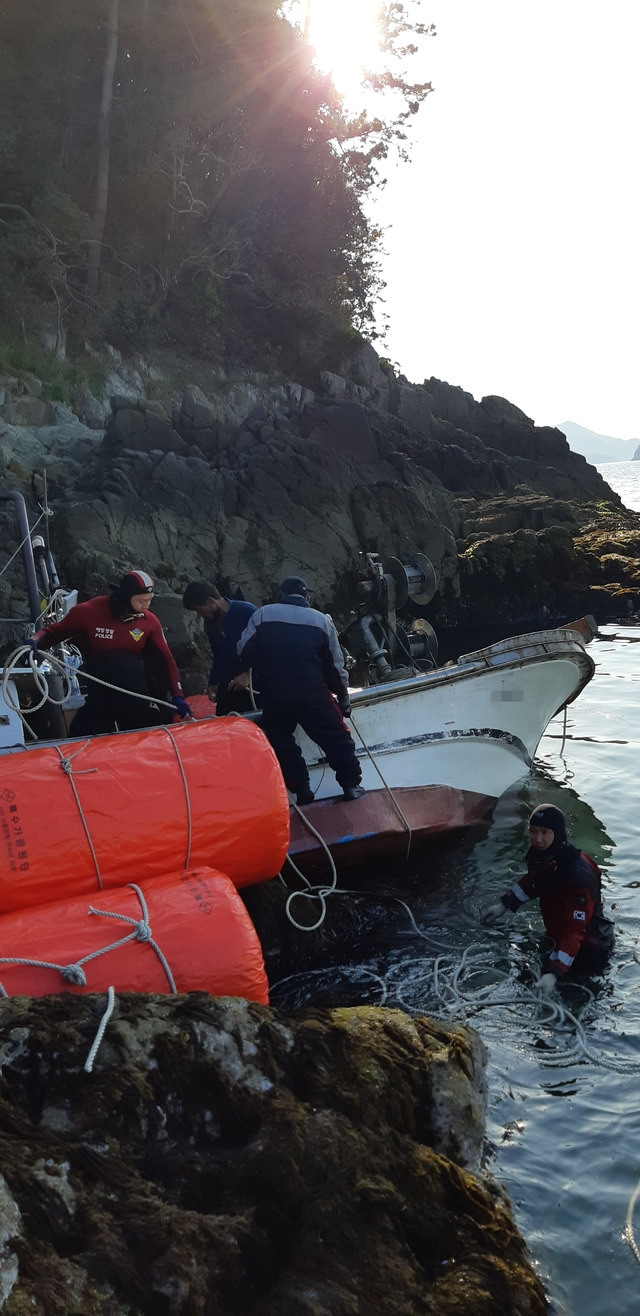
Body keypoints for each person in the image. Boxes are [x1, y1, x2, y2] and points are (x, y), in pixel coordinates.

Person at [235, 575, 364, 806]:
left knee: (281, 739)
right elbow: (335, 667)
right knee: (336, 738)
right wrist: (343, 696)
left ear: (281, 595)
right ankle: (351, 785)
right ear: (307, 597)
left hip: (275, 694)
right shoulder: (322, 621)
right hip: (311, 693)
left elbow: (244, 652)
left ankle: (302, 788)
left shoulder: (263, 614)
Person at [30, 570, 191, 736]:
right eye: (141, 601)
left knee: (145, 737)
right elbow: (53, 632)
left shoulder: (149, 622)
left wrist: (177, 694)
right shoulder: (89, 612)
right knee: (79, 738)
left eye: (149, 600)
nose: (146, 606)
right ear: (127, 596)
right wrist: (34, 642)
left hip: (135, 696)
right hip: (100, 698)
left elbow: (166, 660)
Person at [481, 803, 614, 991]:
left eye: (544, 832)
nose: (538, 839)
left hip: (588, 949)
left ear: (557, 834)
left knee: (569, 998)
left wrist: (556, 973)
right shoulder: (547, 859)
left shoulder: (576, 878)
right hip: (558, 937)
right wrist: (504, 905)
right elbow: (534, 882)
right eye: (533, 831)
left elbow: (575, 932)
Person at [182, 580, 258, 715]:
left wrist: (247, 675)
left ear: (211, 601)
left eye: (199, 610)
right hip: (228, 685)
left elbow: (267, 648)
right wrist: (213, 682)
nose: (199, 615)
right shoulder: (210, 623)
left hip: (253, 686)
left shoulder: (247, 612)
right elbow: (218, 655)